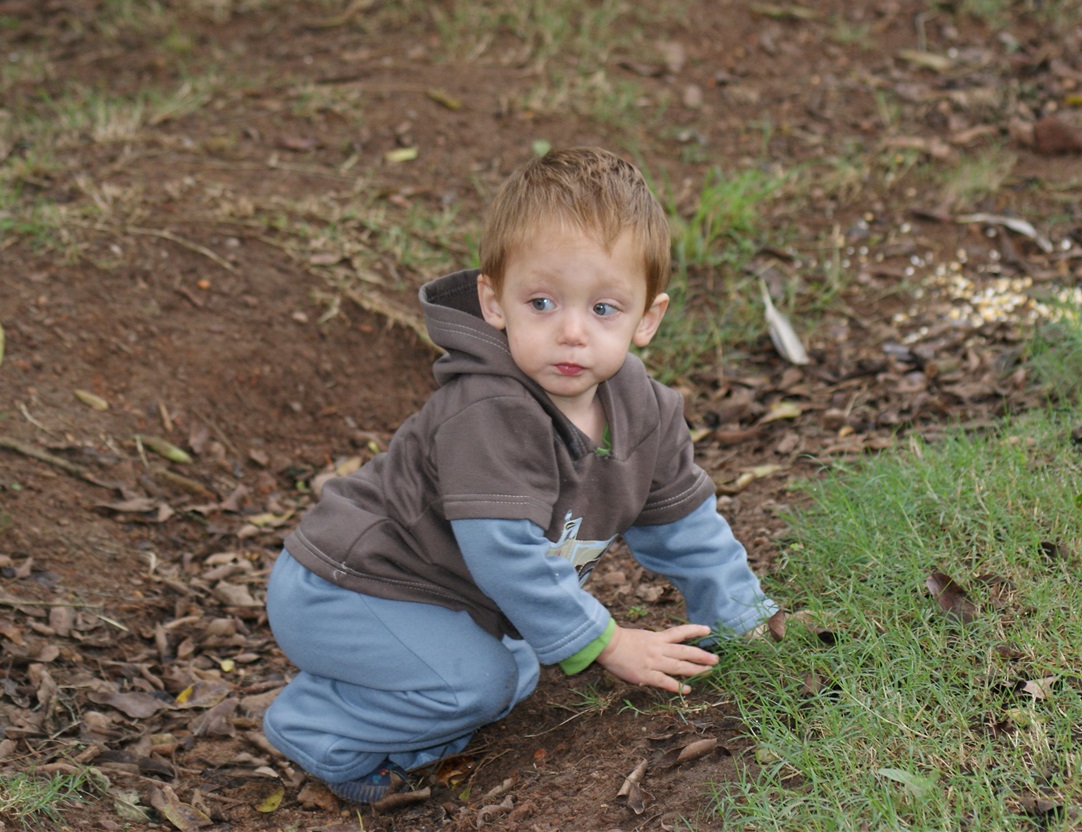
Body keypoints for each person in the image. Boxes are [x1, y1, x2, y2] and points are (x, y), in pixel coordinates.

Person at [263, 147, 777, 804]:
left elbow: (687, 527)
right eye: (541, 301)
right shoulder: (490, 409)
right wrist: (611, 641)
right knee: (478, 684)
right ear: (493, 300)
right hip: (349, 590)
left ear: (648, 317)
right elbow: (504, 556)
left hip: (434, 598)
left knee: (520, 670)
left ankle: (411, 730)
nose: (571, 332)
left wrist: (743, 618)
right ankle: (317, 726)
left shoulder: (644, 410)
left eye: (604, 309)